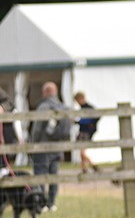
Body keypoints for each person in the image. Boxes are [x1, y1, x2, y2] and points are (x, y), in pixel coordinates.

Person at [29, 82, 70, 211]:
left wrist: (32, 145)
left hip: (42, 147)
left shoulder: (43, 107)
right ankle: (52, 203)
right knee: (54, 176)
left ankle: (42, 203)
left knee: (40, 175)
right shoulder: (64, 108)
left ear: (45, 92)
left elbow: (37, 129)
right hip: (57, 147)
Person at [74, 91, 98, 173]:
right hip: (84, 131)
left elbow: (96, 117)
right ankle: (84, 168)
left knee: (82, 151)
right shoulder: (83, 108)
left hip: (86, 131)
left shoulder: (88, 108)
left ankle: (92, 165)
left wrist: (90, 123)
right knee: (82, 151)